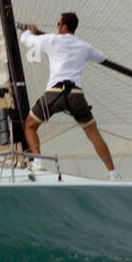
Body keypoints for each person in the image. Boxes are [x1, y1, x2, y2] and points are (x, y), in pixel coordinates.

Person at [20, 12, 119, 179]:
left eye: (58, 24)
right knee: (93, 133)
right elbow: (101, 58)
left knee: (30, 125)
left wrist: (30, 31)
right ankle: (113, 173)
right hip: (76, 95)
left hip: (54, 93)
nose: (57, 27)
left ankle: (38, 163)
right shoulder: (85, 46)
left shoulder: (51, 39)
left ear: (64, 26)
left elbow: (25, 40)